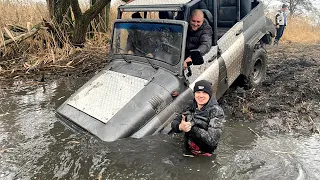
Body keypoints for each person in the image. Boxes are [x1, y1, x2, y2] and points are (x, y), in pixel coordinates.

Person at [171, 80, 225, 157]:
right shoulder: (190, 105)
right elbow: (174, 122)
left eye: (204, 93)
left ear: (209, 94)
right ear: (194, 93)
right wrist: (180, 127)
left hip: (205, 154)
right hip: (188, 149)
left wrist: (191, 126)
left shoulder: (216, 111)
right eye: (198, 92)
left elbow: (212, 140)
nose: (201, 96)